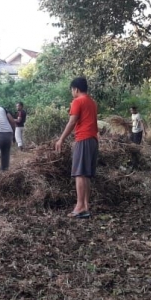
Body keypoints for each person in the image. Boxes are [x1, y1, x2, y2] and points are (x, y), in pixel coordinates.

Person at [55, 77, 99, 219]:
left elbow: (72, 121)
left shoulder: (77, 101)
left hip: (83, 139)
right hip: (93, 140)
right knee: (86, 174)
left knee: (79, 173)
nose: (72, 93)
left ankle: (79, 206)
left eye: (72, 90)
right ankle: (85, 206)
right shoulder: (92, 102)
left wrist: (61, 139)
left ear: (76, 89)